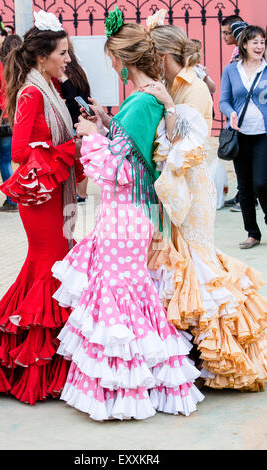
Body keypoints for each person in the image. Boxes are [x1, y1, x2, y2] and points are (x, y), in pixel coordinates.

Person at [51, 7, 204, 421]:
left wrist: (90, 135)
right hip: (138, 212)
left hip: (126, 212)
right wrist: (105, 121)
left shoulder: (139, 101)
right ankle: (146, 383)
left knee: (121, 300)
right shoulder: (149, 94)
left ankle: (125, 392)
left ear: (118, 61)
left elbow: (118, 169)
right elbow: (135, 148)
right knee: (136, 295)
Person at [143, 13, 267, 392]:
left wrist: (163, 130)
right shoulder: (174, 82)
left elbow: (191, 148)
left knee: (199, 261)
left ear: (163, 56)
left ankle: (225, 351)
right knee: (187, 262)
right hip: (181, 185)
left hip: (191, 189)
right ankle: (195, 349)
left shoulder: (192, 87)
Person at [0, 10, 77, 405]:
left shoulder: (50, 87)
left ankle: (38, 361)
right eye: (62, 53)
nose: (67, 59)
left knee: (50, 266)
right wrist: (69, 151)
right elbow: (17, 153)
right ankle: (35, 367)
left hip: (52, 192)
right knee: (49, 267)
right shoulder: (32, 92)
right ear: (41, 56)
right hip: (40, 197)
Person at [220, 26, 267, 250]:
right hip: (240, 135)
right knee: (245, 186)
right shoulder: (231, 71)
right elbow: (223, 100)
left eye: (262, 42)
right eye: (255, 42)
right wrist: (231, 113)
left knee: (262, 183)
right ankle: (252, 233)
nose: (259, 46)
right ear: (244, 45)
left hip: (263, 135)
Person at [56, 34, 90, 204]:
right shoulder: (78, 69)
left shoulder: (65, 74)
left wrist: (62, 80)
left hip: (74, 120)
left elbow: (72, 98)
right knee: (81, 158)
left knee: (78, 159)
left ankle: (81, 195)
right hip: (81, 119)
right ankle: (81, 195)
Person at [0, 34, 22, 212]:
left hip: (3, 116)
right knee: (23, 158)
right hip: (22, 115)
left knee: (4, 160)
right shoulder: (24, 67)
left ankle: (12, 199)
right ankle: (26, 194)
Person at [221, 15, 245, 211]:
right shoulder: (236, 53)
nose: (224, 36)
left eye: (227, 32)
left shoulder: (244, 55)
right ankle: (242, 195)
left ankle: (246, 197)